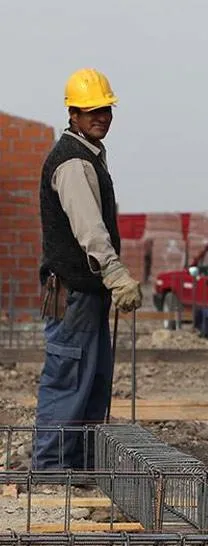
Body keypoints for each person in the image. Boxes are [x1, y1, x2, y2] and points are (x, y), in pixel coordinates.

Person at [34, 68, 143, 471]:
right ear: (73, 114)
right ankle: (51, 470)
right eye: (90, 111)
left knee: (92, 379)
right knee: (69, 377)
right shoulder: (74, 163)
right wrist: (115, 274)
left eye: (106, 110)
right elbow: (90, 230)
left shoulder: (88, 157)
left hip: (85, 292)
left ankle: (77, 466)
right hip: (75, 291)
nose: (101, 117)